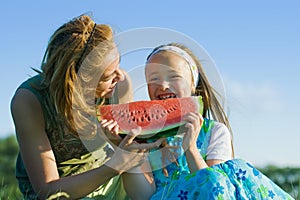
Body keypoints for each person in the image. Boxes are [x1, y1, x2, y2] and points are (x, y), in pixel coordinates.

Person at [10, 14, 163, 200]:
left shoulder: (119, 87)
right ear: (78, 79)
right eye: (108, 75)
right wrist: (115, 166)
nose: (120, 77)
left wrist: (121, 143)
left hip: (107, 176)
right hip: (62, 190)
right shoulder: (28, 101)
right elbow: (47, 190)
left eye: (119, 64)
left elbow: (125, 152)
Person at [122, 43, 293, 199]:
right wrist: (126, 155)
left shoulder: (215, 132)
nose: (163, 85)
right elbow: (143, 196)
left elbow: (215, 188)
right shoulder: (144, 137)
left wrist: (191, 149)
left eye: (173, 76)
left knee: (221, 173)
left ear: (193, 84)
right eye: (153, 79)